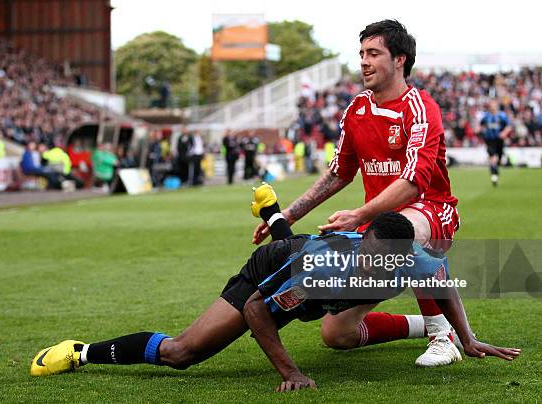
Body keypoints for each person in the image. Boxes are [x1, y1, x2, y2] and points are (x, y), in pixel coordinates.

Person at [30, 184, 520, 392]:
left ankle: (274, 213)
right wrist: (291, 371)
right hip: (270, 270)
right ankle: (81, 352)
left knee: (338, 332)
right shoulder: (324, 271)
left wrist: (467, 335)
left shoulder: (407, 259)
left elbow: (442, 279)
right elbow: (257, 310)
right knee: (182, 353)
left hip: (309, 262)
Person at [252, 20, 461, 367]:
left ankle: (444, 335)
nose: (363, 61)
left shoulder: (420, 106)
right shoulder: (356, 111)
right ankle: (422, 326)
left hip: (431, 212)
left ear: (400, 59)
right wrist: (288, 215)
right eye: (362, 53)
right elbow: (338, 173)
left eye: (373, 53)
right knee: (336, 334)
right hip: (375, 226)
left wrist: (361, 215)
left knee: (399, 230)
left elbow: (415, 182)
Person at [480, 99, 511, 186]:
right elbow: (481, 125)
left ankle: (495, 170)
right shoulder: (486, 116)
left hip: (499, 140)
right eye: (491, 105)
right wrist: (480, 129)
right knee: (492, 157)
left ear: (496, 106)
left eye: (494, 105)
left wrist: (504, 133)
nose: (492, 107)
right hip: (489, 140)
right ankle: (493, 175)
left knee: (499, 159)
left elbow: (508, 126)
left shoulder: (502, 115)